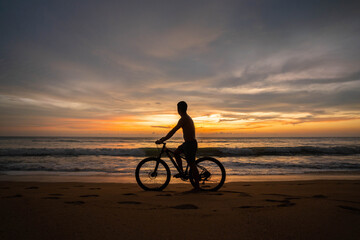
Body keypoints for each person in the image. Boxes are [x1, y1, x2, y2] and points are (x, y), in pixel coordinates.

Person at [155, 101, 200, 190]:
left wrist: (163, 139)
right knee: (176, 153)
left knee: (192, 164)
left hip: (190, 144)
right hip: (188, 143)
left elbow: (173, 131)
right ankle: (182, 172)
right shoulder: (187, 118)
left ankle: (197, 187)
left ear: (179, 109)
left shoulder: (184, 118)